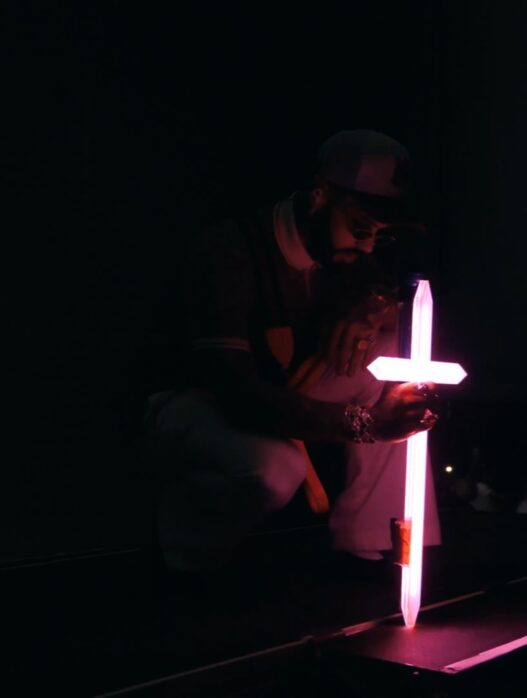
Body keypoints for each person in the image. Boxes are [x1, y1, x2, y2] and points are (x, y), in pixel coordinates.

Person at [145, 129, 441, 573]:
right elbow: (235, 391)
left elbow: (387, 304)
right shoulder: (230, 249)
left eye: (379, 237)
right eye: (361, 228)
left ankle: (373, 539)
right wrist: (365, 423)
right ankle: (184, 545)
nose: (366, 246)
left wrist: (373, 309)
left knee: (391, 363)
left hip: (276, 385)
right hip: (192, 401)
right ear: (319, 196)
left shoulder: (346, 254)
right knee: (276, 469)